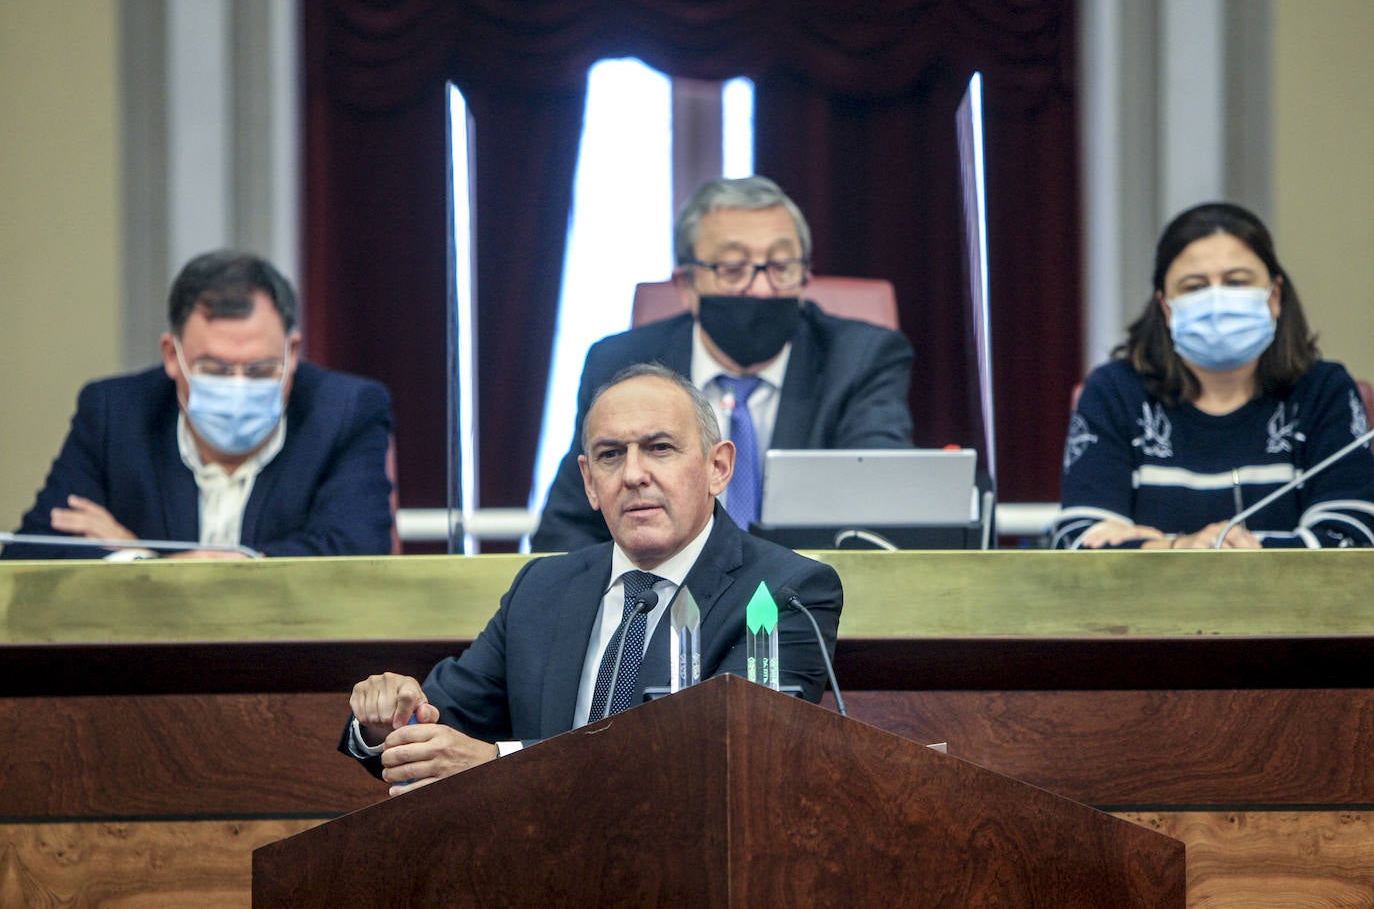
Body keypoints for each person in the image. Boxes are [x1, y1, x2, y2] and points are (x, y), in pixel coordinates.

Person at [343, 363, 843, 795]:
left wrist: (500, 764)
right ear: (588, 483)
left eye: (660, 448)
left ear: (719, 467)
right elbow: (441, 725)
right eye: (610, 455)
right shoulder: (542, 589)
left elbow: (728, 758)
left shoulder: (785, 592)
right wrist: (386, 719)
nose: (632, 475)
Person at [531, 174, 914, 552]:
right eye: (733, 270)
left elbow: (882, 504)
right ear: (688, 285)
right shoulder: (619, 366)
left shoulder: (859, 359)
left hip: (806, 596)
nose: (763, 288)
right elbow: (569, 529)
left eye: (781, 267)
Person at [1, 250, 394, 560]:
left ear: (292, 352)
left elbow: (357, 556)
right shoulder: (114, 414)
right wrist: (142, 564)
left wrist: (147, 560)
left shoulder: (345, 411)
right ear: (173, 356)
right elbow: (32, 555)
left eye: (260, 369)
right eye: (215, 369)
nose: (239, 385)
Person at [1053, 202, 1374, 550]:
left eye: (1236, 282)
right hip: (1152, 606)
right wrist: (1185, 549)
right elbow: (1079, 541)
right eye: (1194, 287)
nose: (1218, 300)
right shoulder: (1114, 392)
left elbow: (1352, 539)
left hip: (1292, 606)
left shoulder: (1324, 392)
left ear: (1274, 297)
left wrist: (1188, 551)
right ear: (1165, 306)